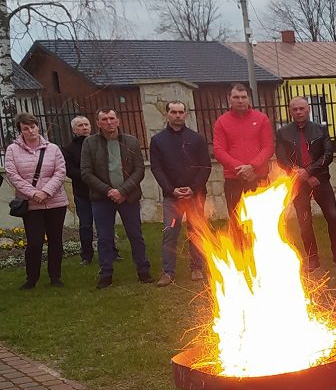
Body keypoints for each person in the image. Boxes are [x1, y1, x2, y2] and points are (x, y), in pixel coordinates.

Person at [276, 97, 336, 270]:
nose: (298, 112)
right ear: (290, 111)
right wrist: (300, 173)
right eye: (295, 109)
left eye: (301, 108)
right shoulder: (283, 133)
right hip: (298, 184)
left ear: (308, 109)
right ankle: (312, 258)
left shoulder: (320, 129)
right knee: (304, 221)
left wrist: (310, 172)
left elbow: (328, 154)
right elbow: (281, 159)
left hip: (320, 180)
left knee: (333, 217)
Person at [81, 109, 152, 288]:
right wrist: (108, 191)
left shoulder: (131, 141)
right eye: (104, 119)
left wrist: (122, 191)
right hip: (102, 198)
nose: (109, 122)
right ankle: (106, 274)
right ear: (98, 123)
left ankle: (143, 271)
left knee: (135, 235)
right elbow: (86, 173)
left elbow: (139, 170)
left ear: (118, 121)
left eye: (112, 118)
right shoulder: (90, 143)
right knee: (104, 237)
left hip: (128, 197)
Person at [149, 101, 211, 285]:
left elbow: (205, 166)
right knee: (170, 232)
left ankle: (196, 267)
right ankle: (168, 272)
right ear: (167, 114)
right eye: (174, 112)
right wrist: (171, 190)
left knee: (196, 231)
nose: (178, 115)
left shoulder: (197, 138)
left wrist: (193, 188)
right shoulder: (158, 140)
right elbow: (157, 168)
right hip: (172, 197)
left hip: (195, 195)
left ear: (186, 114)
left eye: (181, 112)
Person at [4, 113, 68, 289]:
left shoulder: (53, 149)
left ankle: (55, 277)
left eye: (33, 127)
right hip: (31, 204)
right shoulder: (12, 150)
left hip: (55, 202)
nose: (31, 131)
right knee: (34, 242)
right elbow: (13, 175)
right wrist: (33, 193)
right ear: (20, 131)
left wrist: (46, 192)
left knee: (55, 241)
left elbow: (60, 172)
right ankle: (31, 278)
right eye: (26, 128)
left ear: (38, 127)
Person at [211, 83, 274, 249]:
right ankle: (242, 257)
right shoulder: (222, 122)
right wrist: (240, 168)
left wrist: (252, 167)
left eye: (243, 97)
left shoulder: (261, 119)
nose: (240, 101)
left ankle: (263, 255)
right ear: (229, 99)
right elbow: (219, 150)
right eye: (236, 97)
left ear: (249, 99)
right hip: (234, 180)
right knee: (237, 221)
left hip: (258, 178)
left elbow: (268, 147)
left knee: (262, 221)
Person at [63, 115, 96, 265]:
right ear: (74, 130)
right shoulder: (68, 149)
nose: (84, 128)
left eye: (86, 124)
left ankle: (111, 251)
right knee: (85, 225)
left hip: (101, 191)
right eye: (80, 125)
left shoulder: (98, 144)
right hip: (82, 193)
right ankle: (86, 256)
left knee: (105, 224)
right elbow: (70, 171)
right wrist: (89, 176)